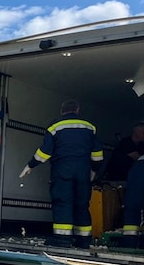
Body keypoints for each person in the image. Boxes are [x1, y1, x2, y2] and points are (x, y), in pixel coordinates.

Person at [19, 100, 104, 249]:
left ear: (61, 111)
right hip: (83, 170)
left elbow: (45, 152)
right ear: (77, 110)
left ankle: (62, 239)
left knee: (62, 202)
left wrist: (31, 164)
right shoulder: (89, 127)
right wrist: (94, 170)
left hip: (63, 169)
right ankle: (83, 240)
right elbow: (97, 153)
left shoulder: (55, 126)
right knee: (82, 204)